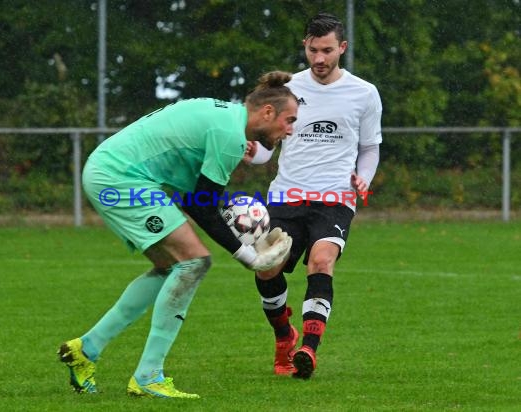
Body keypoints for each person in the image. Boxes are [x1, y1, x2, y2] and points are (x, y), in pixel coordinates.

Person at [58, 71, 298, 399]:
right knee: (194, 262)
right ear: (267, 112)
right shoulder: (229, 133)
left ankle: (86, 349)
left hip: (111, 171)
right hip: (120, 179)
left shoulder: (225, 120)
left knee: (172, 267)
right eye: (289, 120)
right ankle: (148, 376)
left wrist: (245, 233)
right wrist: (249, 256)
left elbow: (201, 198)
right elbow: (202, 208)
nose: (290, 129)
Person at [251, 13, 382, 379]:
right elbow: (267, 145)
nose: (320, 59)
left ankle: (308, 348)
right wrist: (253, 153)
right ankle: (284, 337)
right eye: (313, 50)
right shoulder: (288, 88)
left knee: (322, 262)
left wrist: (364, 179)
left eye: (327, 50)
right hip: (285, 195)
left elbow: (370, 147)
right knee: (267, 269)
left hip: (335, 196)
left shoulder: (364, 93)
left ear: (342, 47)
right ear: (304, 47)